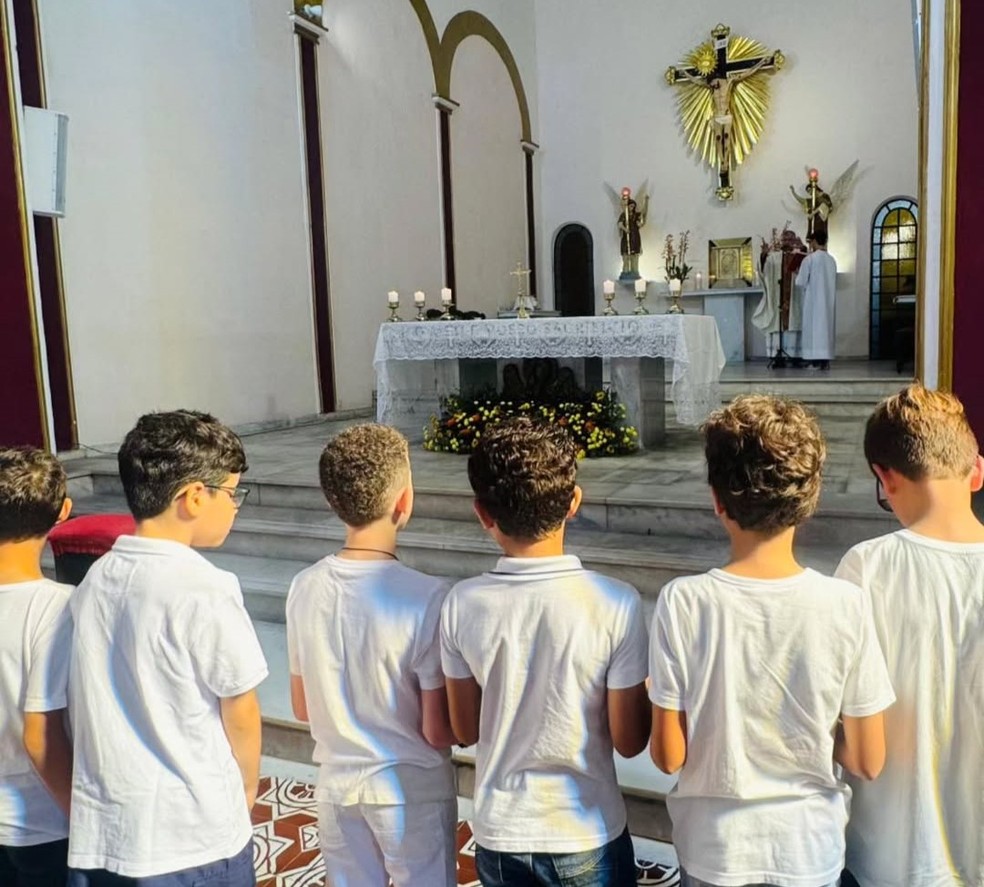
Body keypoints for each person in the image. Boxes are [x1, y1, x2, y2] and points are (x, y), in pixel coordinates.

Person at [649, 395, 895, 887]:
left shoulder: (683, 601)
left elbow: (669, 756)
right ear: (810, 500)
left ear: (718, 501)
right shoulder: (844, 604)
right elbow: (868, 760)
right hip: (806, 849)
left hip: (715, 849)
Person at [441, 416, 650, 887]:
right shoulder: (615, 601)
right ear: (574, 502)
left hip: (500, 831)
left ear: (482, 513)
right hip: (585, 830)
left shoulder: (461, 603)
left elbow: (464, 729)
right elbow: (630, 741)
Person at [66, 410, 267, 886]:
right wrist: (244, 791)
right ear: (195, 497)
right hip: (193, 837)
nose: (235, 506)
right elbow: (241, 710)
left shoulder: (96, 578)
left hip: (109, 832)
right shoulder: (205, 588)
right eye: (231, 493)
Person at [286, 423, 457, 887]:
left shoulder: (304, 587)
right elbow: (436, 729)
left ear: (333, 501)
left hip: (336, 788)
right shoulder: (428, 596)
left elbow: (302, 706)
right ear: (405, 500)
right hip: (411, 791)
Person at [835, 384, 984, 887]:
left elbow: (840, 709)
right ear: (977, 471)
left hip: (889, 856)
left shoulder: (867, 567)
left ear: (885, 477)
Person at [0, 447, 74, 887]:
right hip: (42, 822)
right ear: (63, 511)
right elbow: (41, 736)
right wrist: (81, 818)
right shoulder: (58, 609)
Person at [796, 229, 838, 370]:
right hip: (828, 302)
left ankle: (814, 361)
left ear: (814, 242)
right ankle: (825, 361)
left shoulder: (809, 259)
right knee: (826, 329)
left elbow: (800, 281)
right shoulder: (832, 260)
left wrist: (797, 273)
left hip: (813, 301)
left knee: (813, 329)